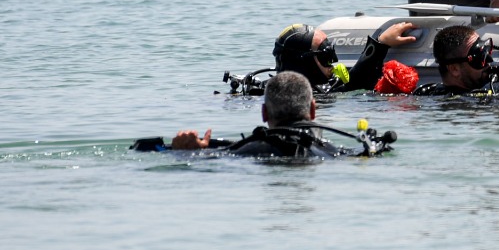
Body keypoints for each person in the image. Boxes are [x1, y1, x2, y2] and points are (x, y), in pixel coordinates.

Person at [135, 71, 396, 158]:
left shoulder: (246, 151)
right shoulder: (336, 151)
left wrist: (189, 150)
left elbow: (140, 150)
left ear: (263, 113)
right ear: (313, 109)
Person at [225, 20, 420, 95]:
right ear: (305, 62)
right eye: (327, 57)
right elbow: (355, 83)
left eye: (332, 54)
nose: (333, 64)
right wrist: (380, 43)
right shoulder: (313, 95)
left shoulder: (271, 88)